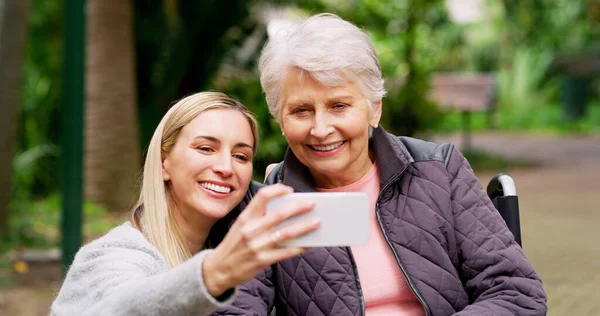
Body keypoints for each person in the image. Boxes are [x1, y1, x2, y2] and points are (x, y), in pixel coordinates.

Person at [213, 13, 547, 316]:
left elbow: (517, 292)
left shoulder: (439, 170)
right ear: (280, 120)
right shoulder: (267, 207)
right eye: (301, 111)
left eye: (339, 106)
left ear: (374, 109)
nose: (320, 128)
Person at [50, 92, 320, 316]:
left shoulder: (242, 259)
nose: (226, 167)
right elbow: (118, 307)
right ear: (164, 161)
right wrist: (212, 275)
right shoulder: (115, 254)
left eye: (241, 156)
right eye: (205, 148)